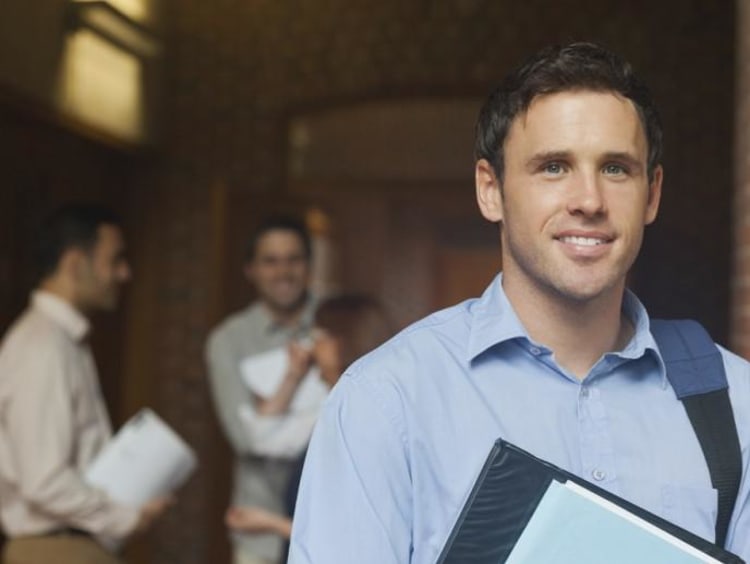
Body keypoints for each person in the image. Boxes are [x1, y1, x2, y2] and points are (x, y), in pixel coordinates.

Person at [288, 42, 750, 563]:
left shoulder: (737, 403)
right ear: (491, 190)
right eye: (553, 167)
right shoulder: (387, 401)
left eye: (616, 168)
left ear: (653, 193)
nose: (590, 200)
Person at [0, 204, 171, 564]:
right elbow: (43, 479)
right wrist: (124, 516)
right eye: (115, 260)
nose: (124, 274)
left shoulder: (61, 340)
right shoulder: (42, 345)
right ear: (76, 264)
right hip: (55, 548)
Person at [224, 294, 393, 556]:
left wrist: (271, 524)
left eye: (320, 336)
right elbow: (261, 437)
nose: (312, 345)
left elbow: (350, 535)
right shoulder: (330, 405)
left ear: (344, 341)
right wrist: (293, 374)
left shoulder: (361, 420)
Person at [205, 216, 322, 564]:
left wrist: (268, 410)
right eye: (270, 261)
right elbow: (245, 437)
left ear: (309, 266)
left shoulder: (336, 323)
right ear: (250, 270)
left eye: (293, 259)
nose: (283, 271)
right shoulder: (229, 340)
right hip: (260, 534)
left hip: (327, 518)